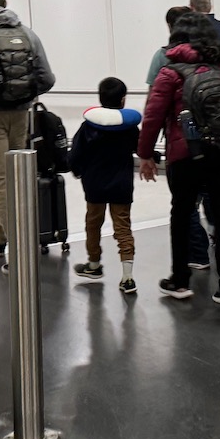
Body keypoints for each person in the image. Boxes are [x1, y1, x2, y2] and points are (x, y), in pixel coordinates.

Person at [138, 13, 220, 307]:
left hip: (185, 155)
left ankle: (180, 281)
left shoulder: (169, 72)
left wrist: (145, 155)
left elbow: (152, 118)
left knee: (182, 213)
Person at [0, 0, 54, 256]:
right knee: (16, 176)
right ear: (5, 1)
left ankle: (22, 247)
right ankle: (0, 238)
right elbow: (47, 78)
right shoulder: (26, 33)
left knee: (0, 180)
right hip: (22, 114)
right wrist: (24, 96)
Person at [148, 5, 212, 270]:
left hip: (180, 141)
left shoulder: (163, 57)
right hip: (213, 140)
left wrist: (146, 150)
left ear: (169, 28)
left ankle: (196, 254)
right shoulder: (213, 56)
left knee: (184, 202)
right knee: (210, 197)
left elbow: (154, 104)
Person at [68, 77, 141, 295]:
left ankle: (93, 265)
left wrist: (76, 170)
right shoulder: (129, 128)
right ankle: (127, 277)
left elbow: (75, 154)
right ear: (123, 100)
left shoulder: (88, 127)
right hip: (121, 185)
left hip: (95, 185)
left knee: (93, 224)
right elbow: (141, 148)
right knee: (123, 228)